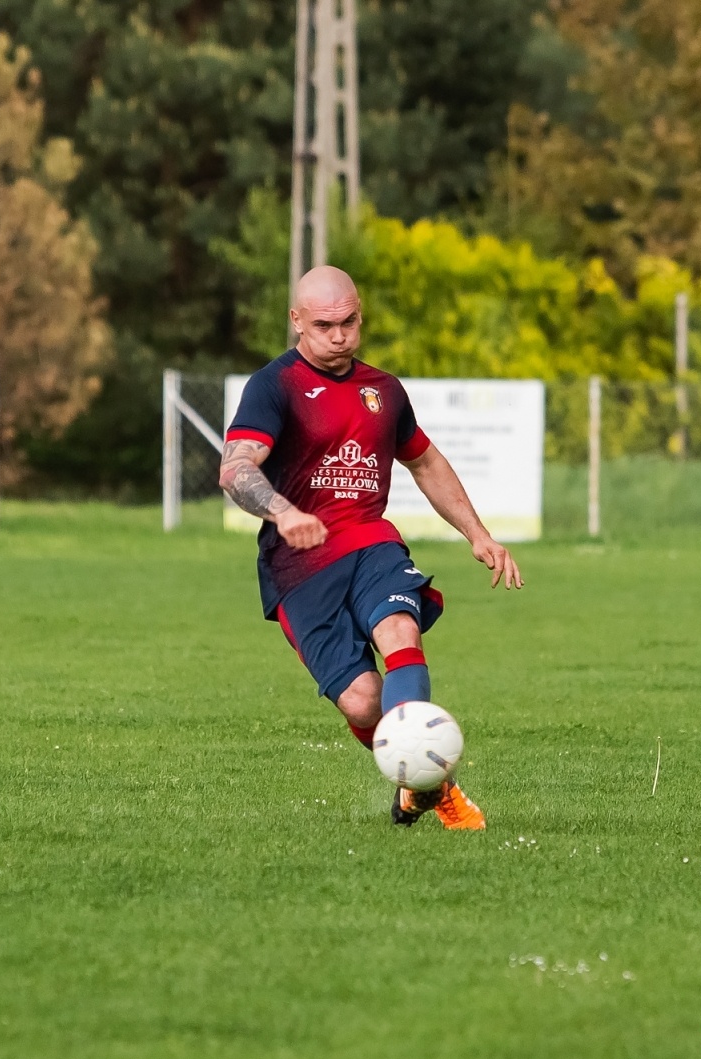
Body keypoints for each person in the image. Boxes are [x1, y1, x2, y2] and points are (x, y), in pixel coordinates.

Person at [220, 266, 523, 830]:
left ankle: (433, 789)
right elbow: (236, 469)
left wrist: (477, 533)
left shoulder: (383, 389)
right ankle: (427, 784)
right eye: (324, 325)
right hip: (300, 568)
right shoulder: (274, 386)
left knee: (401, 633)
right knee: (362, 702)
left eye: (349, 322)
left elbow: (425, 461)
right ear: (297, 322)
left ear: (360, 315)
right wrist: (283, 511)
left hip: (370, 541)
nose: (339, 335)